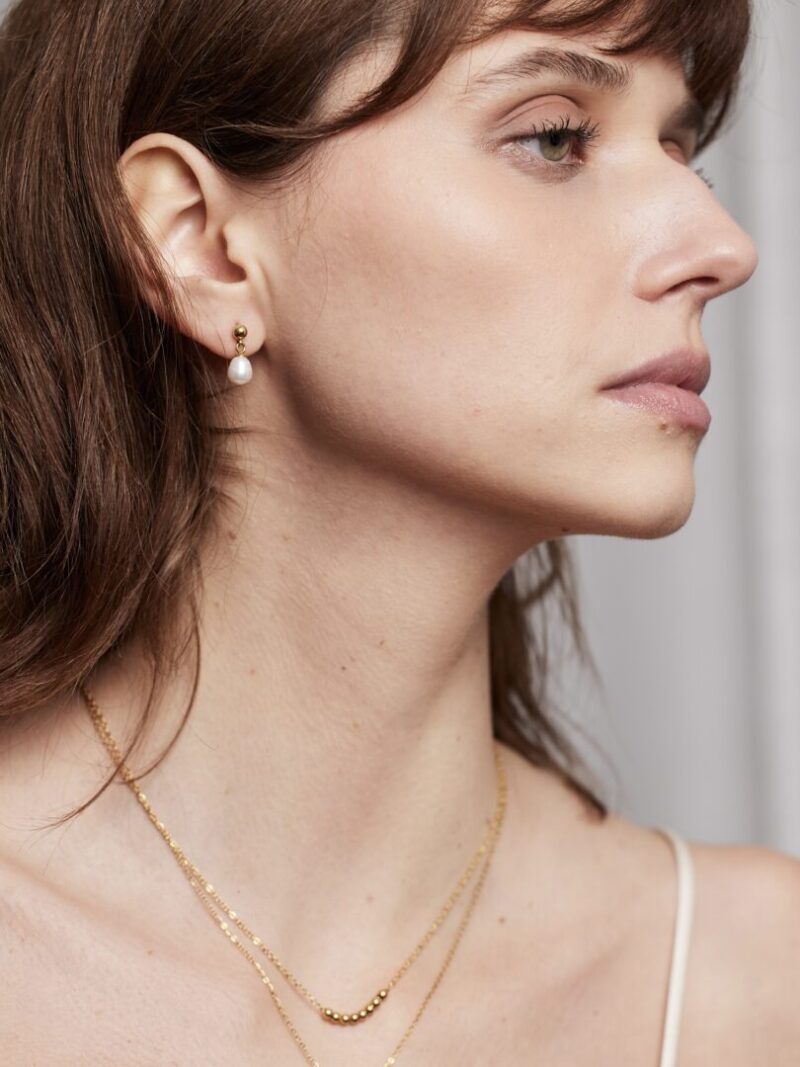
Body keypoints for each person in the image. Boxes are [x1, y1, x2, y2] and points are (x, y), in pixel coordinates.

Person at [1, 0, 798, 1063]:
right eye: (554, 138)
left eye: (678, 147)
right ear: (202, 246)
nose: (722, 246)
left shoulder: (757, 984)